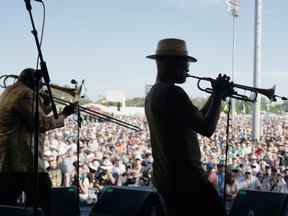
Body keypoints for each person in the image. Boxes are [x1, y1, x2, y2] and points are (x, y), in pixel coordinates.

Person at [145, 38, 231, 216]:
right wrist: (217, 95)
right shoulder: (172, 92)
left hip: (169, 181)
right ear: (167, 62)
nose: (188, 68)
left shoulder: (154, 93)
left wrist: (217, 97)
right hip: (189, 182)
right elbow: (207, 128)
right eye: (184, 63)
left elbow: (196, 118)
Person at [0, 68, 76, 215]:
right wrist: (65, 114)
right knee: (42, 195)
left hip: (8, 159)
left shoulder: (11, 91)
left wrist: (44, 105)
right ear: (33, 81)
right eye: (40, 83)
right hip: (24, 159)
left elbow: (30, 116)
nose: (42, 87)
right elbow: (40, 123)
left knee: (6, 204)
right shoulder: (26, 94)